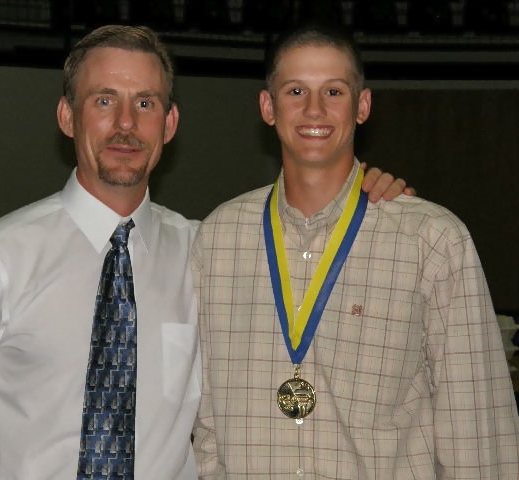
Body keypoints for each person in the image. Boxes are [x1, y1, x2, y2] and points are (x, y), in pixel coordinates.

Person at [0, 25, 409, 480]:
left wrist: (369, 201)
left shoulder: (211, 252)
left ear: (170, 123)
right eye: (103, 100)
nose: (125, 123)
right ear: (68, 117)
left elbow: (315, 275)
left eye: (145, 103)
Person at [192, 23, 519, 479]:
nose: (314, 109)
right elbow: (206, 420)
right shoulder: (217, 239)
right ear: (268, 107)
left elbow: (478, 435)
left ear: (362, 106)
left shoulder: (431, 241)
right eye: (294, 91)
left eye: (334, 91)